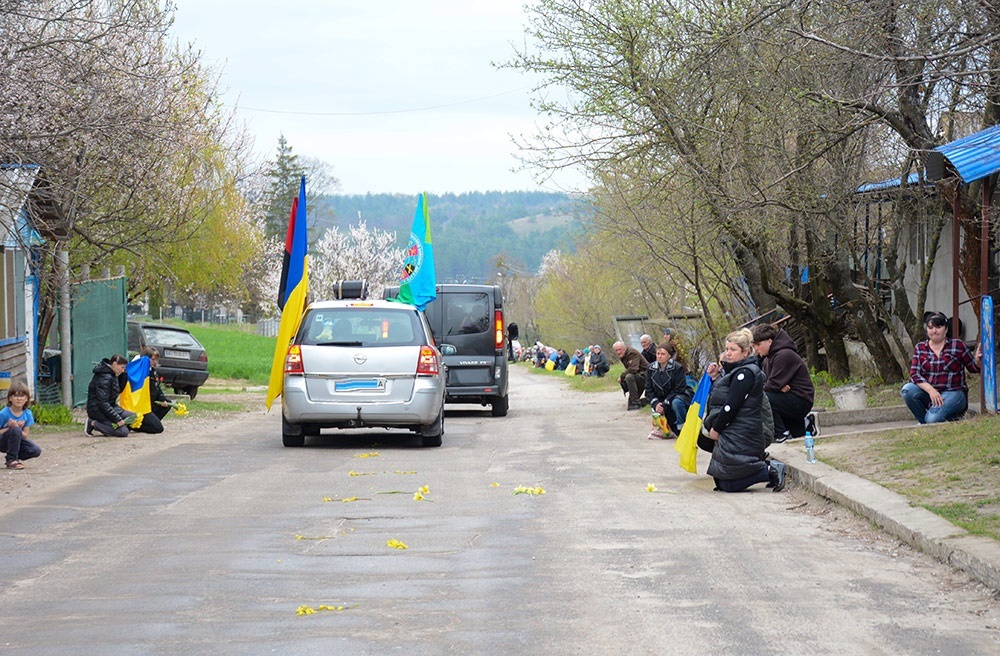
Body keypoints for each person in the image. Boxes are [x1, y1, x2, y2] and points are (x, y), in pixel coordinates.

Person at [702, 329, 787, 492]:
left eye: (733, 350)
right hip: (736, 429)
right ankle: (766, 469)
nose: (728, 353)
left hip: (743, 431)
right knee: (720, 480)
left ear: (745, 352)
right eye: (726, 349)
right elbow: (722, 396)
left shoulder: (746, 373)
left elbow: (731, 406)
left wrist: (716, 428)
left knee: (728, 484)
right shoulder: (736, 371)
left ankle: (770, 470)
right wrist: (715, 378)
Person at [901, 312, 982, 424]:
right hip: (930, 393)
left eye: (939, 327)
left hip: (953, 392)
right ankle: (926, 423)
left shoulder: (957, 345)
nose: (934, 331)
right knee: (907, 390)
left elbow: (973, 368)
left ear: (946, 329)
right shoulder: (920, 348)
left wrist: (977, 361)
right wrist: (931, 390)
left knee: (933, 419)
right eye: (931, 327)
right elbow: (915, 374)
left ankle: (936, 419)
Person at [751, 323, 816, 442]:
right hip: (789, 397)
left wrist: (774, 387)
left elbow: (772, 385)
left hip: (800, 399)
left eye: (758, 345)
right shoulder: (767, 359)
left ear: (769, 341)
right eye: (754, 345)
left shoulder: (784, 355)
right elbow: (769, 383)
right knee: (764, 396)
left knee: (761, 398)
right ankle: (804, 427)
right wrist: (776, 387)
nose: (755, 349)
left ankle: (780, 433)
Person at [644, 342, 693, 439]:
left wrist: (666, 402)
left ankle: (682, 427)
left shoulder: (677, 367)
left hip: (678, 395)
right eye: (658, 354)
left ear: (669, 356)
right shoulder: (651, 368)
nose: (660, 356)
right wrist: (655, 403)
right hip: (660, 398)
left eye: (663, 354)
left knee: (676, 403)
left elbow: (679, 388)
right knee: (659, 415)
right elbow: (648, 389)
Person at [85, 354, 135, 437]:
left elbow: (118, 391)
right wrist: (117, 419)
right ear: (115, 364)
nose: (123, 370)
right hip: (97, 410)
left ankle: (108, 426)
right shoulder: (104, 377)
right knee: (123, 432)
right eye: (122, 367)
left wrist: (123, 375)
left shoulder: (112, 374)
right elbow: (103, 403)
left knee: (132, 417)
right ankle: (93, 423)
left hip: (109, 407)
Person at [131, 347, 172, 434]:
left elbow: (157, 388)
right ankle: (137, 426)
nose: (155, 362)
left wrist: (162, 399)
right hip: (142, 406)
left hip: (151, 403)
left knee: (167, 404)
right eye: (153, 359)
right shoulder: (140, 372)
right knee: (158, 428)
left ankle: (150, 423)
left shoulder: (152, 371)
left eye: (156, 359)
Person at [0, 380, 41, 470]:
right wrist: (10, 428)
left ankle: (14, 455)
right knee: (15, 430)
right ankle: (11, 460)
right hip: (3, 441)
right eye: (15, 395)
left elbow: (25, 435)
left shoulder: (27, 414)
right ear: (10, 398)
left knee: (35, 450)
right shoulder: (4, 413)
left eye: (22, 396)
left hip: (17, 441)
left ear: (26, 399)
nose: (19, 399)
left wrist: (17, 428)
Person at [613, 340, 648, 410]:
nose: (618, 352)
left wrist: (622, 376)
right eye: (616, 350)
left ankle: (636, 402)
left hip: (646, 376)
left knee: (629, 377)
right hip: (638, 376)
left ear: (624, 348)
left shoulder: (631, 353)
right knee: (630, 406)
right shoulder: (623, 355)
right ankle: (645, 401)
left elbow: (633, 368)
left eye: (620, 349)